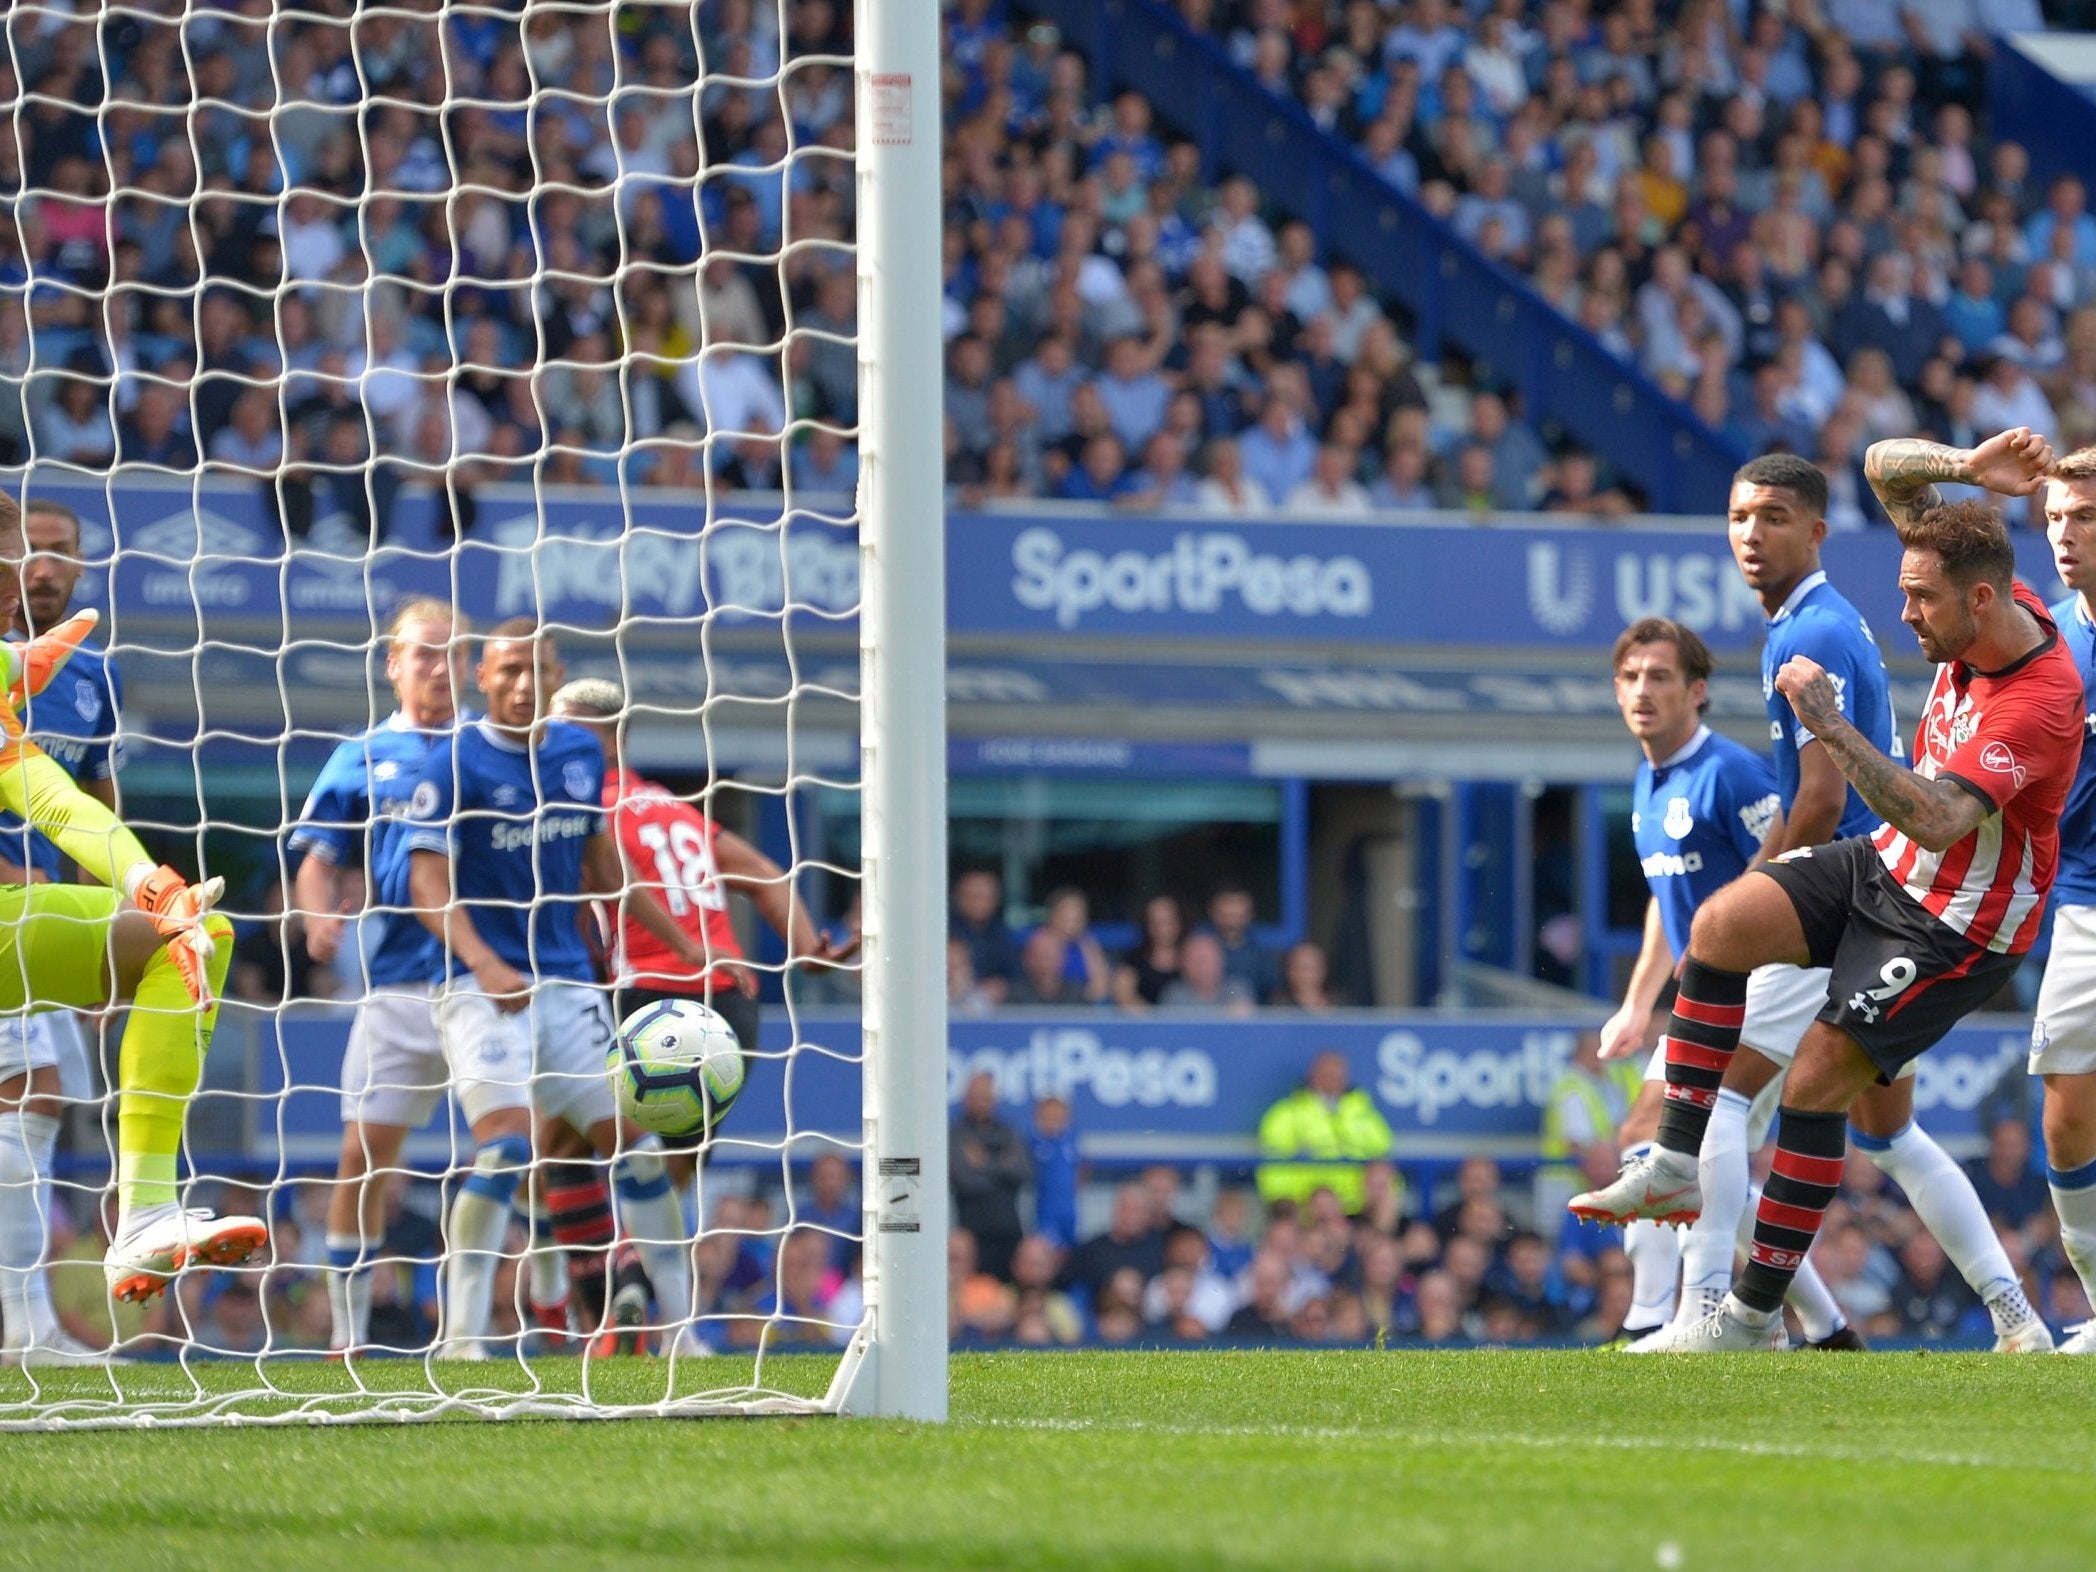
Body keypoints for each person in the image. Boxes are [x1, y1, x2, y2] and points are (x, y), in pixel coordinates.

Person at [1577, 431, 2078, 1351]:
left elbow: (1935, 816)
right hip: (1884, 866)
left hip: (1956, 926)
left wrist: (1833, 727)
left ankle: (1750, 1315)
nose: (1908, 617)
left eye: (1920, 602)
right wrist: (1970, 468)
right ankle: (1679, 1169)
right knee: (1722, 926)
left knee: (1815, 1086)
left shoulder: (2040, 702)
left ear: (1978, 599)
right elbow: (1883, 464)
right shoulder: (1987, 598)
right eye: (1903, 593)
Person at [404, 619, 713, 1356]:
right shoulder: (452, 762)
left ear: (555, 677)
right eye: (506, 671)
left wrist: (679, 944)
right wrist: (482, 962)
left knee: (637, 1147)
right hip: (483, 989)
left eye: (534, 671)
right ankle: (462, 1335)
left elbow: (604, 873)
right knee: (507, 1151)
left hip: (569, 988)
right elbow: (426, 883)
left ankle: (683, 1333)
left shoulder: (577, 754)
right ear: (481, 677)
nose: (520, 685)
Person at [1580, 616, 1854, 1349]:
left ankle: (1668, 1316)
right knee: (1693, 1148)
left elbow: (1794, 854)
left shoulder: (1730, 773)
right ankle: (1824, 1329)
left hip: (1776, 978)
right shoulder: (1648, 781)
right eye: (1632, 677)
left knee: (1658, 1130)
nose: (1644, 691)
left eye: (1661, 676)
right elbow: (1663, 899)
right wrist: (1637, 1004)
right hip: (1715, 992)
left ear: (1697, 692)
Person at [0, 496, 242, 1315]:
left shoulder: (48, 678)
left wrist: (150, 888)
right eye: (8, 566)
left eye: (36, 560)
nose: (22, 581)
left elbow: (63, 805)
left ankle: (141, 1215)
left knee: (194, 932)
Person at [289, 598, 470, 1356]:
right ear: (393, 664)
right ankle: (349, 1329)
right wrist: (316, 916)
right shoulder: (361, 755)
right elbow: (318, 857)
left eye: (452, 653)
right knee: (363, 1159)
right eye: (423, 653)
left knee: (523, 1148)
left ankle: (513, 1320)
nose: (438, 666)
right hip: (397, 983)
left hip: (488, 983)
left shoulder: (495, 749)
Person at [546, 675, 846, 1099]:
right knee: (678, 1158)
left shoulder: (583, 811)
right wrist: (807, 949)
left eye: (563, 731)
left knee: (562, 1134)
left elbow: (579, 902)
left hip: (645, 999)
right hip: (728, 1006)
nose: (548, 743)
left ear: (612, 743)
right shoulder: (678, 812)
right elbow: (763, 872)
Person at [0, 497, 127, 1364]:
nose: (38, 568)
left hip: (43, 913)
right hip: (16, 905)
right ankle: (28, 1326)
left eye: (53, 553)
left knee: (36, 1096)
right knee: (30, 1091)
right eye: (22, 551)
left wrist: (99, 921)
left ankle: (26, 1320)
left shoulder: (85, 678)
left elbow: (93, 802)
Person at [2029, 443, 2096, 1353]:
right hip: (2080, 900)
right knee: (2067, 1111)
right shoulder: (2046, 636)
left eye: (2083, 518)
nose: (2065, 536)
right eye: (2053, 520)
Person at [1254, 1051, 1394, 1215]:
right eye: (1327, 1073)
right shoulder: (1286, 1114)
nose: (1333, 1079)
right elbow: (1272, 1169)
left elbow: (1386, 1159)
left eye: (1337, 1074)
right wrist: (1290, 1202)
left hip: (1358, 1209)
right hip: (1306, 1209)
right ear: (1313, 1075)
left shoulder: (1364, 1114)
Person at [949, 1071, 1030, 1281]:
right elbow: (966, 1181)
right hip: (973, 1235)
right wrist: (1001, 1166)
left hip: (1009, 1233)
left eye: (986, 1097)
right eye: (976, 1096)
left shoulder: (1009, 1131)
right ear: (966, 1099)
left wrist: (983, 1163)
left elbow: (1022, 1172)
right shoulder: (956, 1134)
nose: (982, 1102)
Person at [950, 869, 1019, 1004]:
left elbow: (1014, 973)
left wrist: (1002, 984)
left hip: (995, 1007)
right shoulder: (943, 930)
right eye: (972, 896)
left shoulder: (1002, 933)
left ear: (995, 900)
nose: (978, 902)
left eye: (983, 896)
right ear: (958, 897)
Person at [1202, 884, 1279, 1002]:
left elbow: (1272, 992)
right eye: (1227, 903)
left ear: (1250, 912)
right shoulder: (1198, 948)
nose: (1233, 910)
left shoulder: (1260, 953)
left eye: (1239, 903)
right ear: (1212, 910)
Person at [1111, 893, 1186, 1010]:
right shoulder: (1134, 958)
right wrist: (1155, 1021)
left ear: (1179, 922)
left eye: (1167, 921)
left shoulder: (1193, 956)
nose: (1162, 928)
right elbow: (1123, 995)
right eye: (1155, 922)